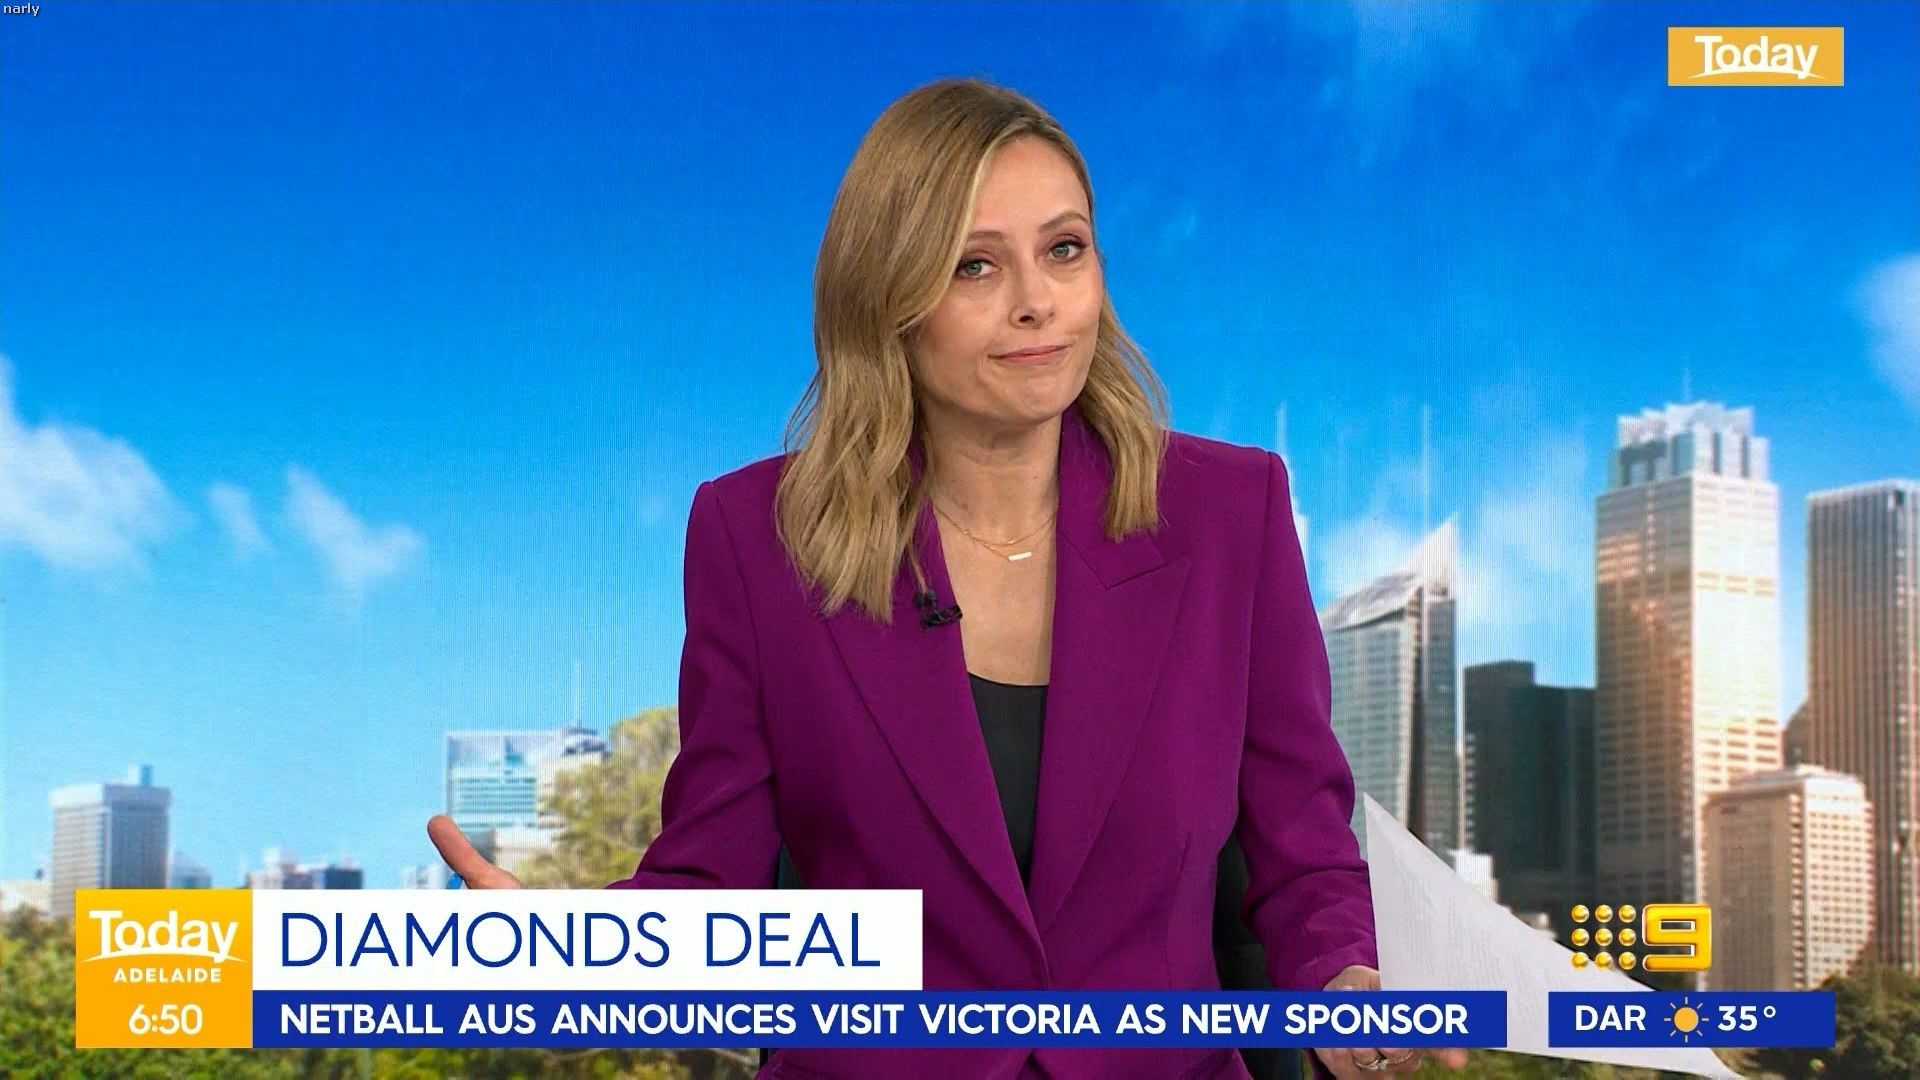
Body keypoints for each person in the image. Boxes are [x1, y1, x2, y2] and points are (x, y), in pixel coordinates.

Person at [428, 77, 1469, 1080]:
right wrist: (554, 957)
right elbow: (715, 881)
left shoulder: (1230, 512)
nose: (1036, 303)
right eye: (976, 267)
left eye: (1064, 250)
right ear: (889, 300)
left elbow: (1303, 853)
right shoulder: (759, 538)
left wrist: (1349, 982)